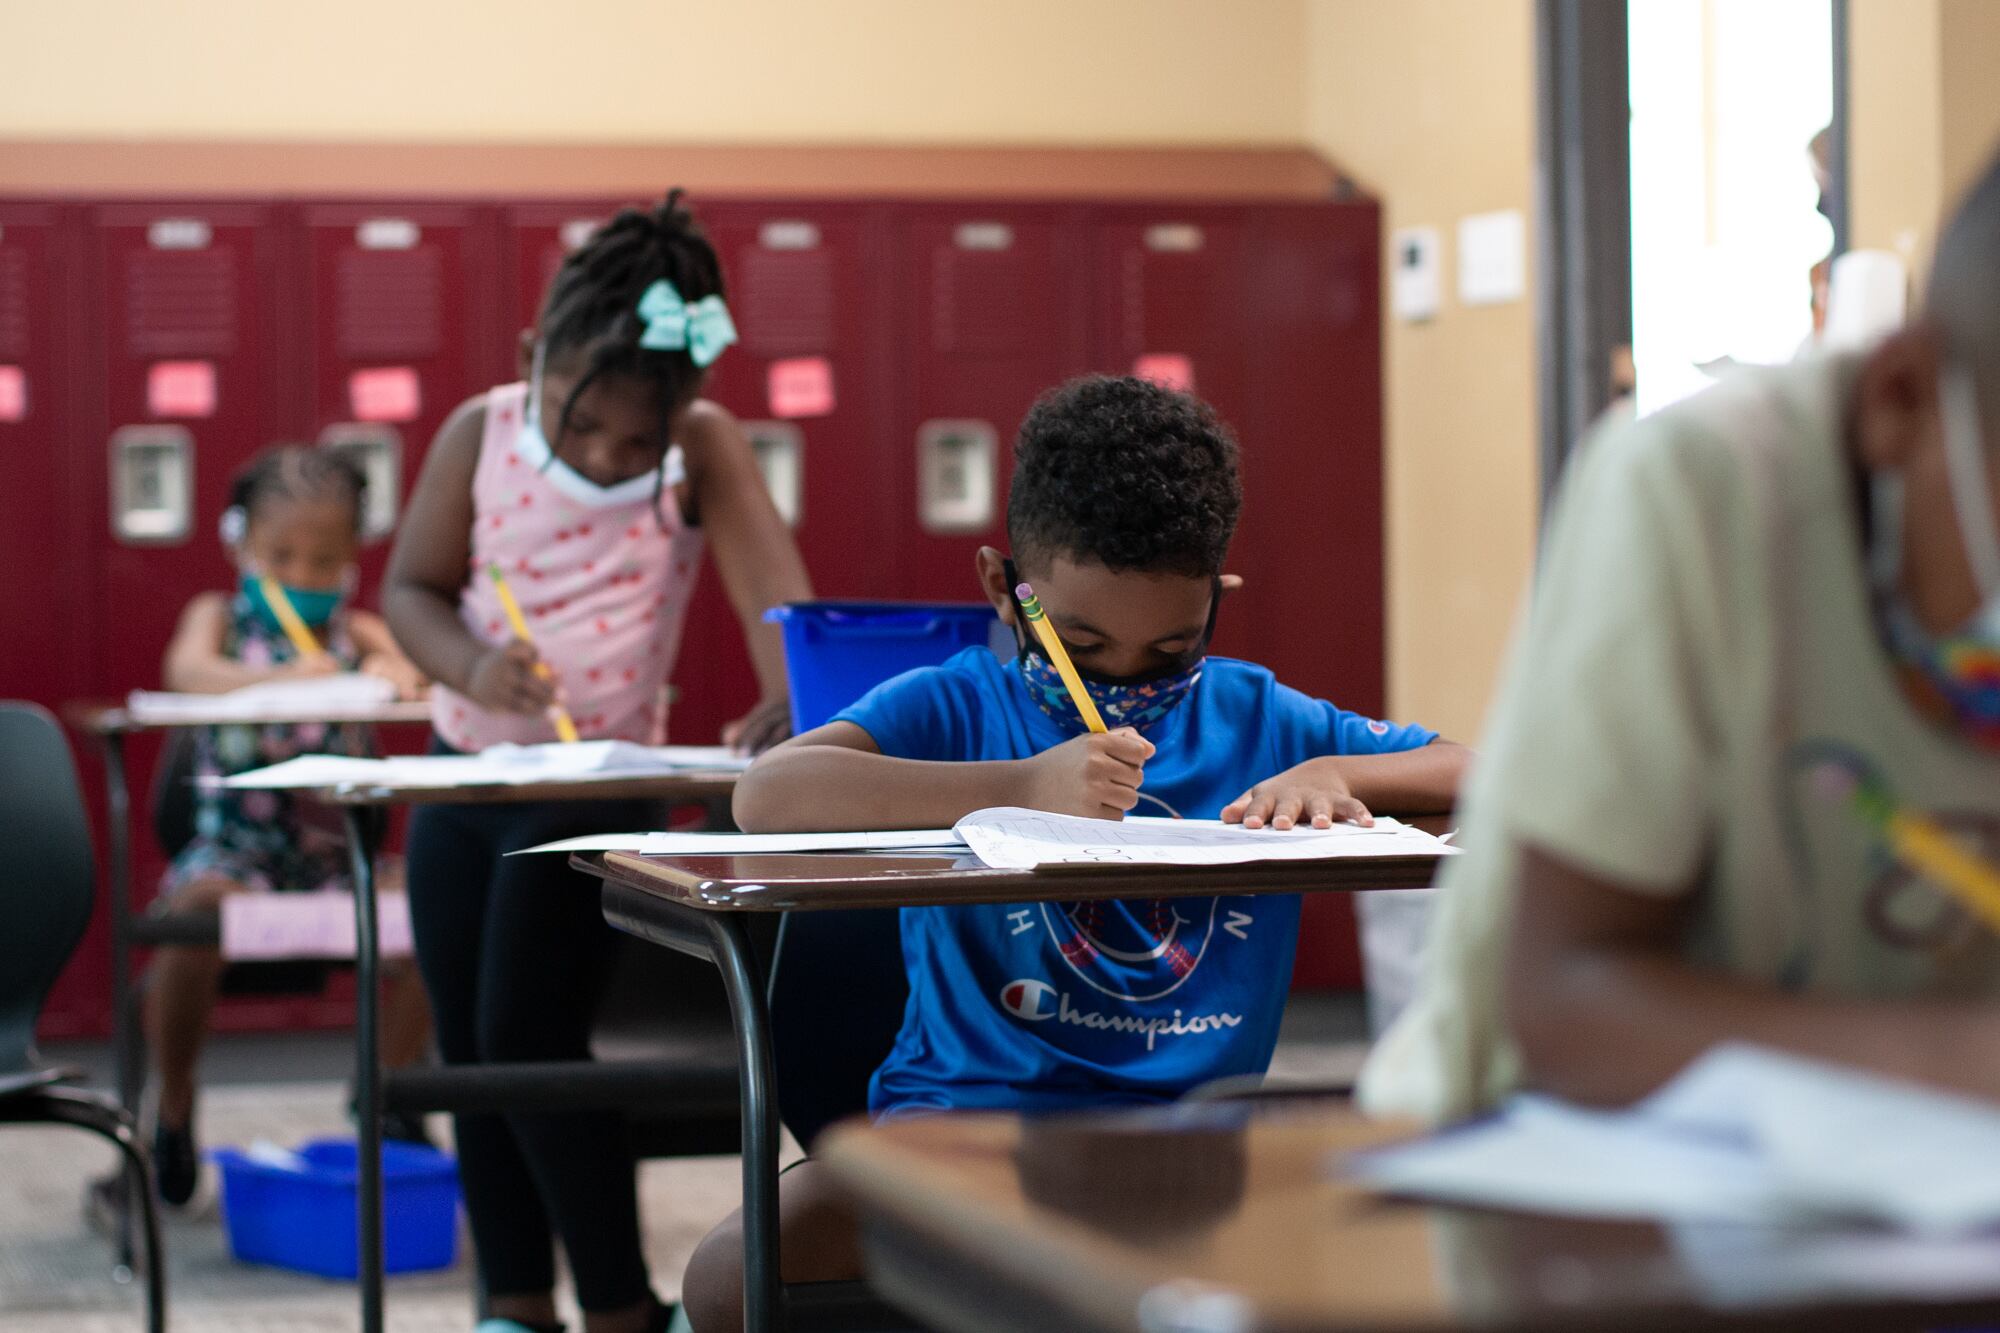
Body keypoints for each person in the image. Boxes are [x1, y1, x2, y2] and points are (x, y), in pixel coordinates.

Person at [682, 374, 1469, 1330]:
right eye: (1083, 646)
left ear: (1215, 605)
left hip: (1190, 1143)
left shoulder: (1257, 715)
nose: (1125, 680)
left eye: (1170, 650)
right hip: (966, 1134)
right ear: (1002, 590)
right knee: (733, 1279)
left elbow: (1474, 769)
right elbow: (767, 793)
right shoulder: (958, 703)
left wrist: (1339, 771)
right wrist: (1016, 786)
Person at [1358, 148, 2000, 1124]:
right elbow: (1559, 1002)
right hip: (1559, 1180)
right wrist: (1946, 1064)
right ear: (1901, 399)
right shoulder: (1698, 494)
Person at [383, 190, 811, 1333]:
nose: (611, 455)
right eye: (584, 429)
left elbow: (784, 609)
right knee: (472, 1053)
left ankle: (617, 1304)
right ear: (533, 361)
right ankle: (513, 1303)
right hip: (460, 781)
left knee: (529, 1035)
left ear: (687, 406)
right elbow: (411, 590)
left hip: (586, 790)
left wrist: (790, 696)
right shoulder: (480, 431)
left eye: (640, 439)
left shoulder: (703, 446)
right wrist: (472, 666)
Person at [144, 445, 430, 1205]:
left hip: (339, 863)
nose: (302, 578)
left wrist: (388, 675)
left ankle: (386, 1091)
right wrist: (277, 679)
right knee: (188, 916)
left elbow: (409, 677)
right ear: (238, 543)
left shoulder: (357, 630)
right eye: (281, 556)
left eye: (324, 560)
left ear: (352, 560)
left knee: (438, 905)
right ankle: (172, 1107)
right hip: (234, 855)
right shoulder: (218, 620)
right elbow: (188, 672)